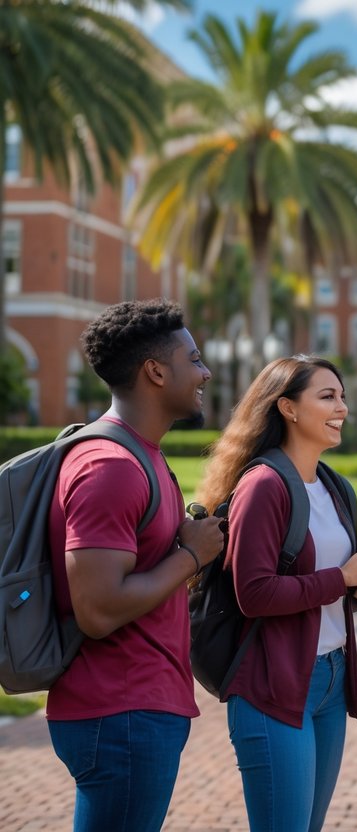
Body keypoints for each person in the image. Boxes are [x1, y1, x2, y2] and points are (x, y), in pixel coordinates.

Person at [196, 355, 357, 832]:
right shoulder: (264, 485)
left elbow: (329, 586)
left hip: (329, 678)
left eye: (343, 397)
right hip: (272, 683)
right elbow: (254, 593)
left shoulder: (335, 488)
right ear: (287, 408)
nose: (342, 408)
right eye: (327, 397)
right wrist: (343, 579)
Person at [46, 299, 227, 832]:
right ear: (155, 371)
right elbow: (98, 609)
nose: (205, 372)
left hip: (136, 707)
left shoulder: (141, 454)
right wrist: (192, 555)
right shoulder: (111, 467)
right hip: (120, 710)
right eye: (193, 359)